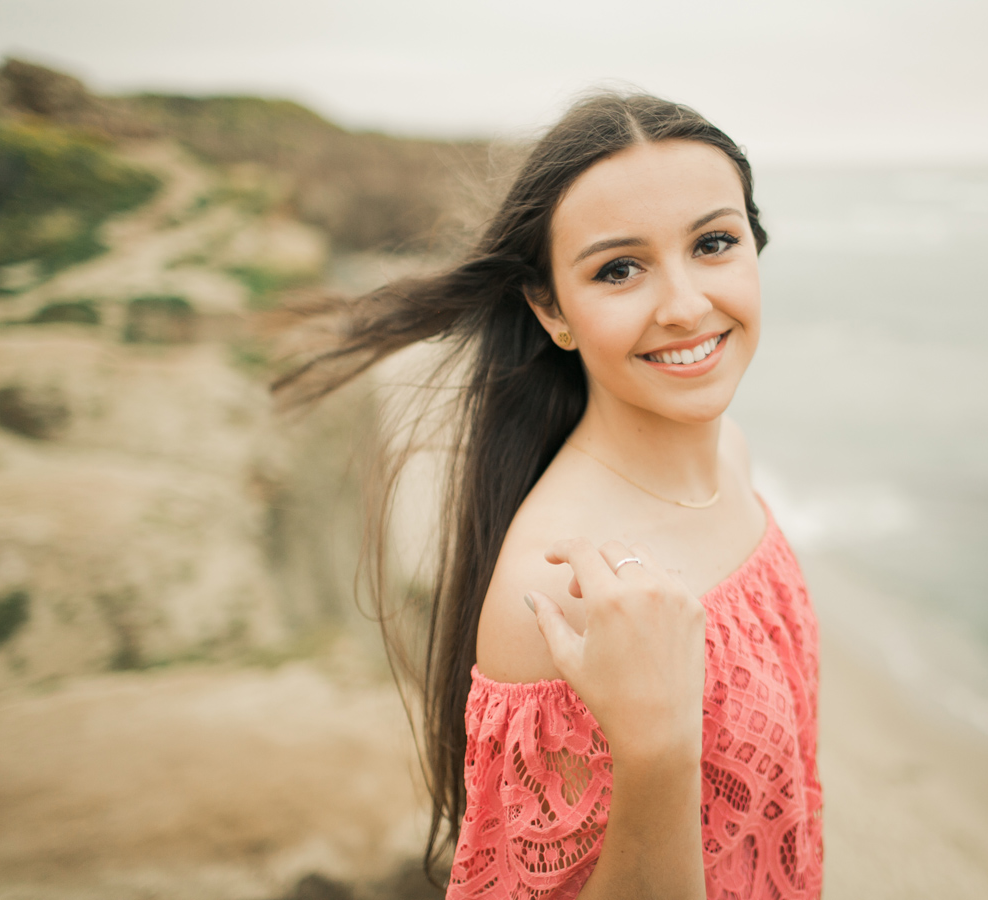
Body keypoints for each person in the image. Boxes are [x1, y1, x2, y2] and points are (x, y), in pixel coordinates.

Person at [273, 93, 822, 900]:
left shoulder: (731, 459)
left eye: (713, 243)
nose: (684, 305)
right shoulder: (558, 592)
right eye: (619, 269)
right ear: (550, 310)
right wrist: (655, 751)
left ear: (754, 245)